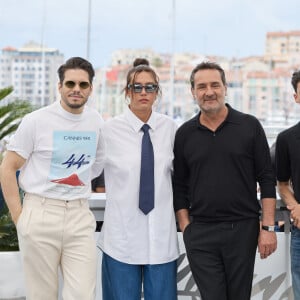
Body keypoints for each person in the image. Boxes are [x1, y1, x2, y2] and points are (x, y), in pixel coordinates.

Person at [0, 57, 104, 300]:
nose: (76, 89)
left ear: (90, 88)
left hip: (79, 216)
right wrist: (20, 217)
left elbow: (97, 164)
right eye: (70, 84)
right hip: (41, 214)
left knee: (82, 295)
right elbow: (8, 167)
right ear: (59, 86)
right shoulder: (36, 121)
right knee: (41, 295)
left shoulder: (96, 121)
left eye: (83, 84)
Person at [173, 61, 277, 300]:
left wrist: (267, 228)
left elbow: (267, 178)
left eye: (214, 85)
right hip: (200, 233)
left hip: (242, 230)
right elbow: (179, 185)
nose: (209, 92)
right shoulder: (185, 134)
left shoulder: (249, 126)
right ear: (193, 92)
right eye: (201, 87)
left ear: (225, 88)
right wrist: (186, 228)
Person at [98, 58, 179, 300]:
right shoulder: (107, 131)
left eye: (150, 87)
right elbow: (86, 172)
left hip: (161, 238)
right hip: (121, 240)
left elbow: (183, 177)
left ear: (157, 92)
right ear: (127, 91)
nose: (143, 92)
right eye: (137, 87)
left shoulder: (171, 129)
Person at [276, 70, 300, 300]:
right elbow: (282, 184)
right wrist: (295, 206)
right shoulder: (286, 139)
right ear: (296, 97)